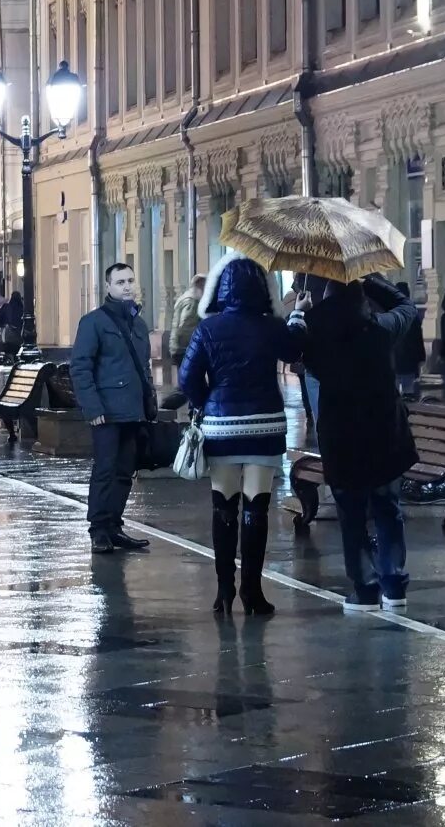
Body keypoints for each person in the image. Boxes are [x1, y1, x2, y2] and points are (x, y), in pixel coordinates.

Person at [289, 274, 421, 612]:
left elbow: (290, 349)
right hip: (384, 437)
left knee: (352, 516)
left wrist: (300, 313)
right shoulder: (380, 328)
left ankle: (364, 589)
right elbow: (407, 307)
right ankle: (394, 586)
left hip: (342, 440)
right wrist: (373, 281)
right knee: (388, 510)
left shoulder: (314, 334)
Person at [178, 258, 302, 618]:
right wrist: (297, 316)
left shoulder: (209, 328)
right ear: (262, 290)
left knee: (223, 505)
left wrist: (206, 404)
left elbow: (188, 378)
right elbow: (295, 350)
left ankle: (223, 590)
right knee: (257, 507)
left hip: (221, 427)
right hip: (264, 426)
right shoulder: (271, 327)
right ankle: (252, 590)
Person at [68, 263, 157, 554]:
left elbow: (144, 368)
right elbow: (80, 368)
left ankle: (115, 526)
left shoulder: (139, 324)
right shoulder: (94, 322)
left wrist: (149, 404)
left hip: (133, 411)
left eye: (131, 280)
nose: (127, 286)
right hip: (106, 412)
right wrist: (92, 408)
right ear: (108, 287)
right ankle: (98, 530)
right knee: (104, 470)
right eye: (120, 282)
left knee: (124, 471)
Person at [389, 282, 425, 403]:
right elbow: (418, 338)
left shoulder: (390, 312)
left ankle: (398, 417)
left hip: (394, 360)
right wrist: (420, 358)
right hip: (409, 360)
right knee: (408, 392)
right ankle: (408, 416)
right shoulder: (412, 313)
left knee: (393, 393)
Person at [167, 273, 207, 364]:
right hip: (184, 350)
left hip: (180, 348)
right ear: (200, 286)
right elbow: (185, 327)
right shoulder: (191, 302)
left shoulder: (186, 298)